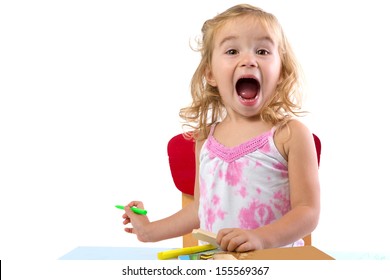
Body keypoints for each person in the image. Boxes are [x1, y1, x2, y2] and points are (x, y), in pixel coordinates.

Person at [121, 3, 320, 252]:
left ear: (280, 71)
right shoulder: (205, 140)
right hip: (218, 265)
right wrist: (149, 232)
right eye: (232, 51)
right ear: (210, 74)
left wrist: (260, 238)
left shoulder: (290, 134)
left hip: (274, 264)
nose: (249, 60)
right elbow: (198, 209)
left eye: (262, 51)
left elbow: (308, 212)